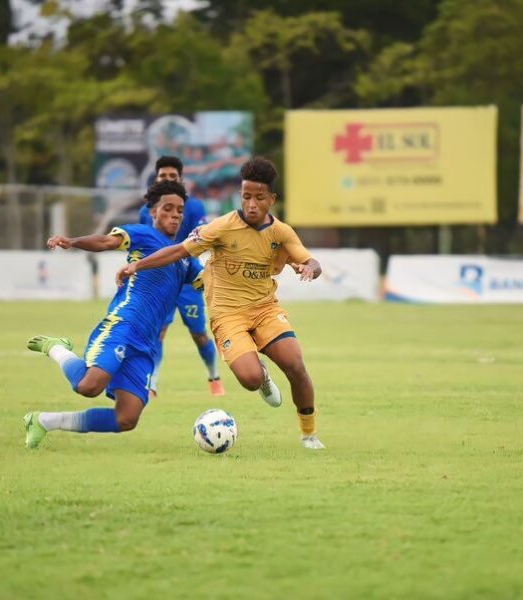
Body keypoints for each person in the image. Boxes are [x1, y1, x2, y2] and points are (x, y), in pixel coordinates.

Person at [116, 156, 327, 450]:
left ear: (272, 199)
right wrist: (136, 266)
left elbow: (311, 261)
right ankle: (261, 375)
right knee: (251, 379)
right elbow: (178, 251)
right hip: (228, 316)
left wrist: (310, 269)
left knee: (295, 364)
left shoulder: (281, 232)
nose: (251, 204)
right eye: (246, 196)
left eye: (259, 198)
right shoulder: (221, 227)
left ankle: (309, 434)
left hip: (265, 310)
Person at [23, 180, 202, 449]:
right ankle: (56, 348)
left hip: (146, 344)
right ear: (153, 212)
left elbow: (210, 282)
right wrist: (72, 241)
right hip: (124, 324)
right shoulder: (142, 234)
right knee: (88, 386)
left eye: (180, 210)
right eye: (168, 208)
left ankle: (43, 421)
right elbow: (106, 241)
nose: (175, 214)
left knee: (127, 418)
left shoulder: (186, 258)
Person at [138, 155, 224, 397]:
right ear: (156, 179)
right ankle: (152, 384)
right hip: (159, 281)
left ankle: (214, 376)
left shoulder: (194, 207)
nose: (167, 179)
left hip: (187, 281)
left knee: (199, 334)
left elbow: (202, 237)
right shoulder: (145, 211)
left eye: (172, 176)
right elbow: (142, 244)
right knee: (158, 333)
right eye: (163, 176)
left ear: (181, 179)